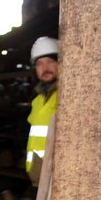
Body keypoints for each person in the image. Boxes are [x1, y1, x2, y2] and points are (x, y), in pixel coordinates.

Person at [26, 36, 59, 187]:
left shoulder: (66, 97)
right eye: (39, 64)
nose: (45, 68)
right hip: (38, 175)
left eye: (50, 61)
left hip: (56, 176)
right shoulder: (38, 100)